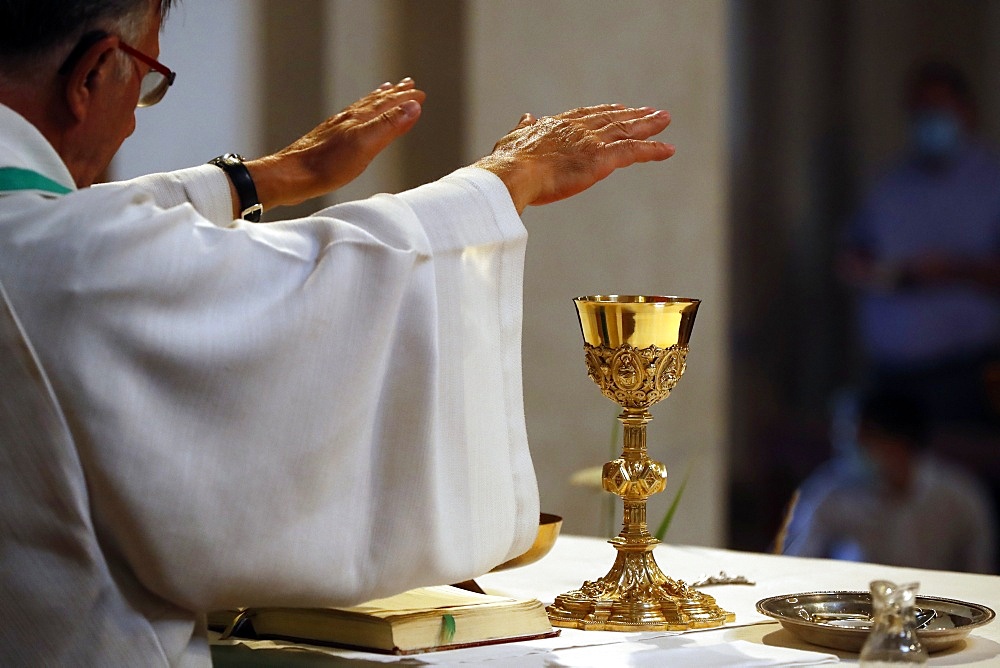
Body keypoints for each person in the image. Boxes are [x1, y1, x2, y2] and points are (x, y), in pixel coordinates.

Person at [0, 0, 676, 664]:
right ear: (93, 72)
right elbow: (327, 284)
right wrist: (506, 180)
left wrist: (264, 177)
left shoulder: (42, 237)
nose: (132, 128)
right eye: (147, 80)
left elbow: (75, 229)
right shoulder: (70, 262)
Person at [839, 61, 1000, 428]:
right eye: (921, 111)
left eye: (939, 110)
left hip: (967, 372)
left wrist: (954, 270)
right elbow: (853, 256)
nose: (930, 121)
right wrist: (878, 272)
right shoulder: (890, 185)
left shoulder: (992, 183)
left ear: (967, 111)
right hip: (893, 373)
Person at [782, 389, 996, 574]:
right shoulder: (830, 490)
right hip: (852, 612)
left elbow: (981, 571)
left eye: (863, 438)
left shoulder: (959, 496)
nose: (852, 448)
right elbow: (794, 561)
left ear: (899, 441)